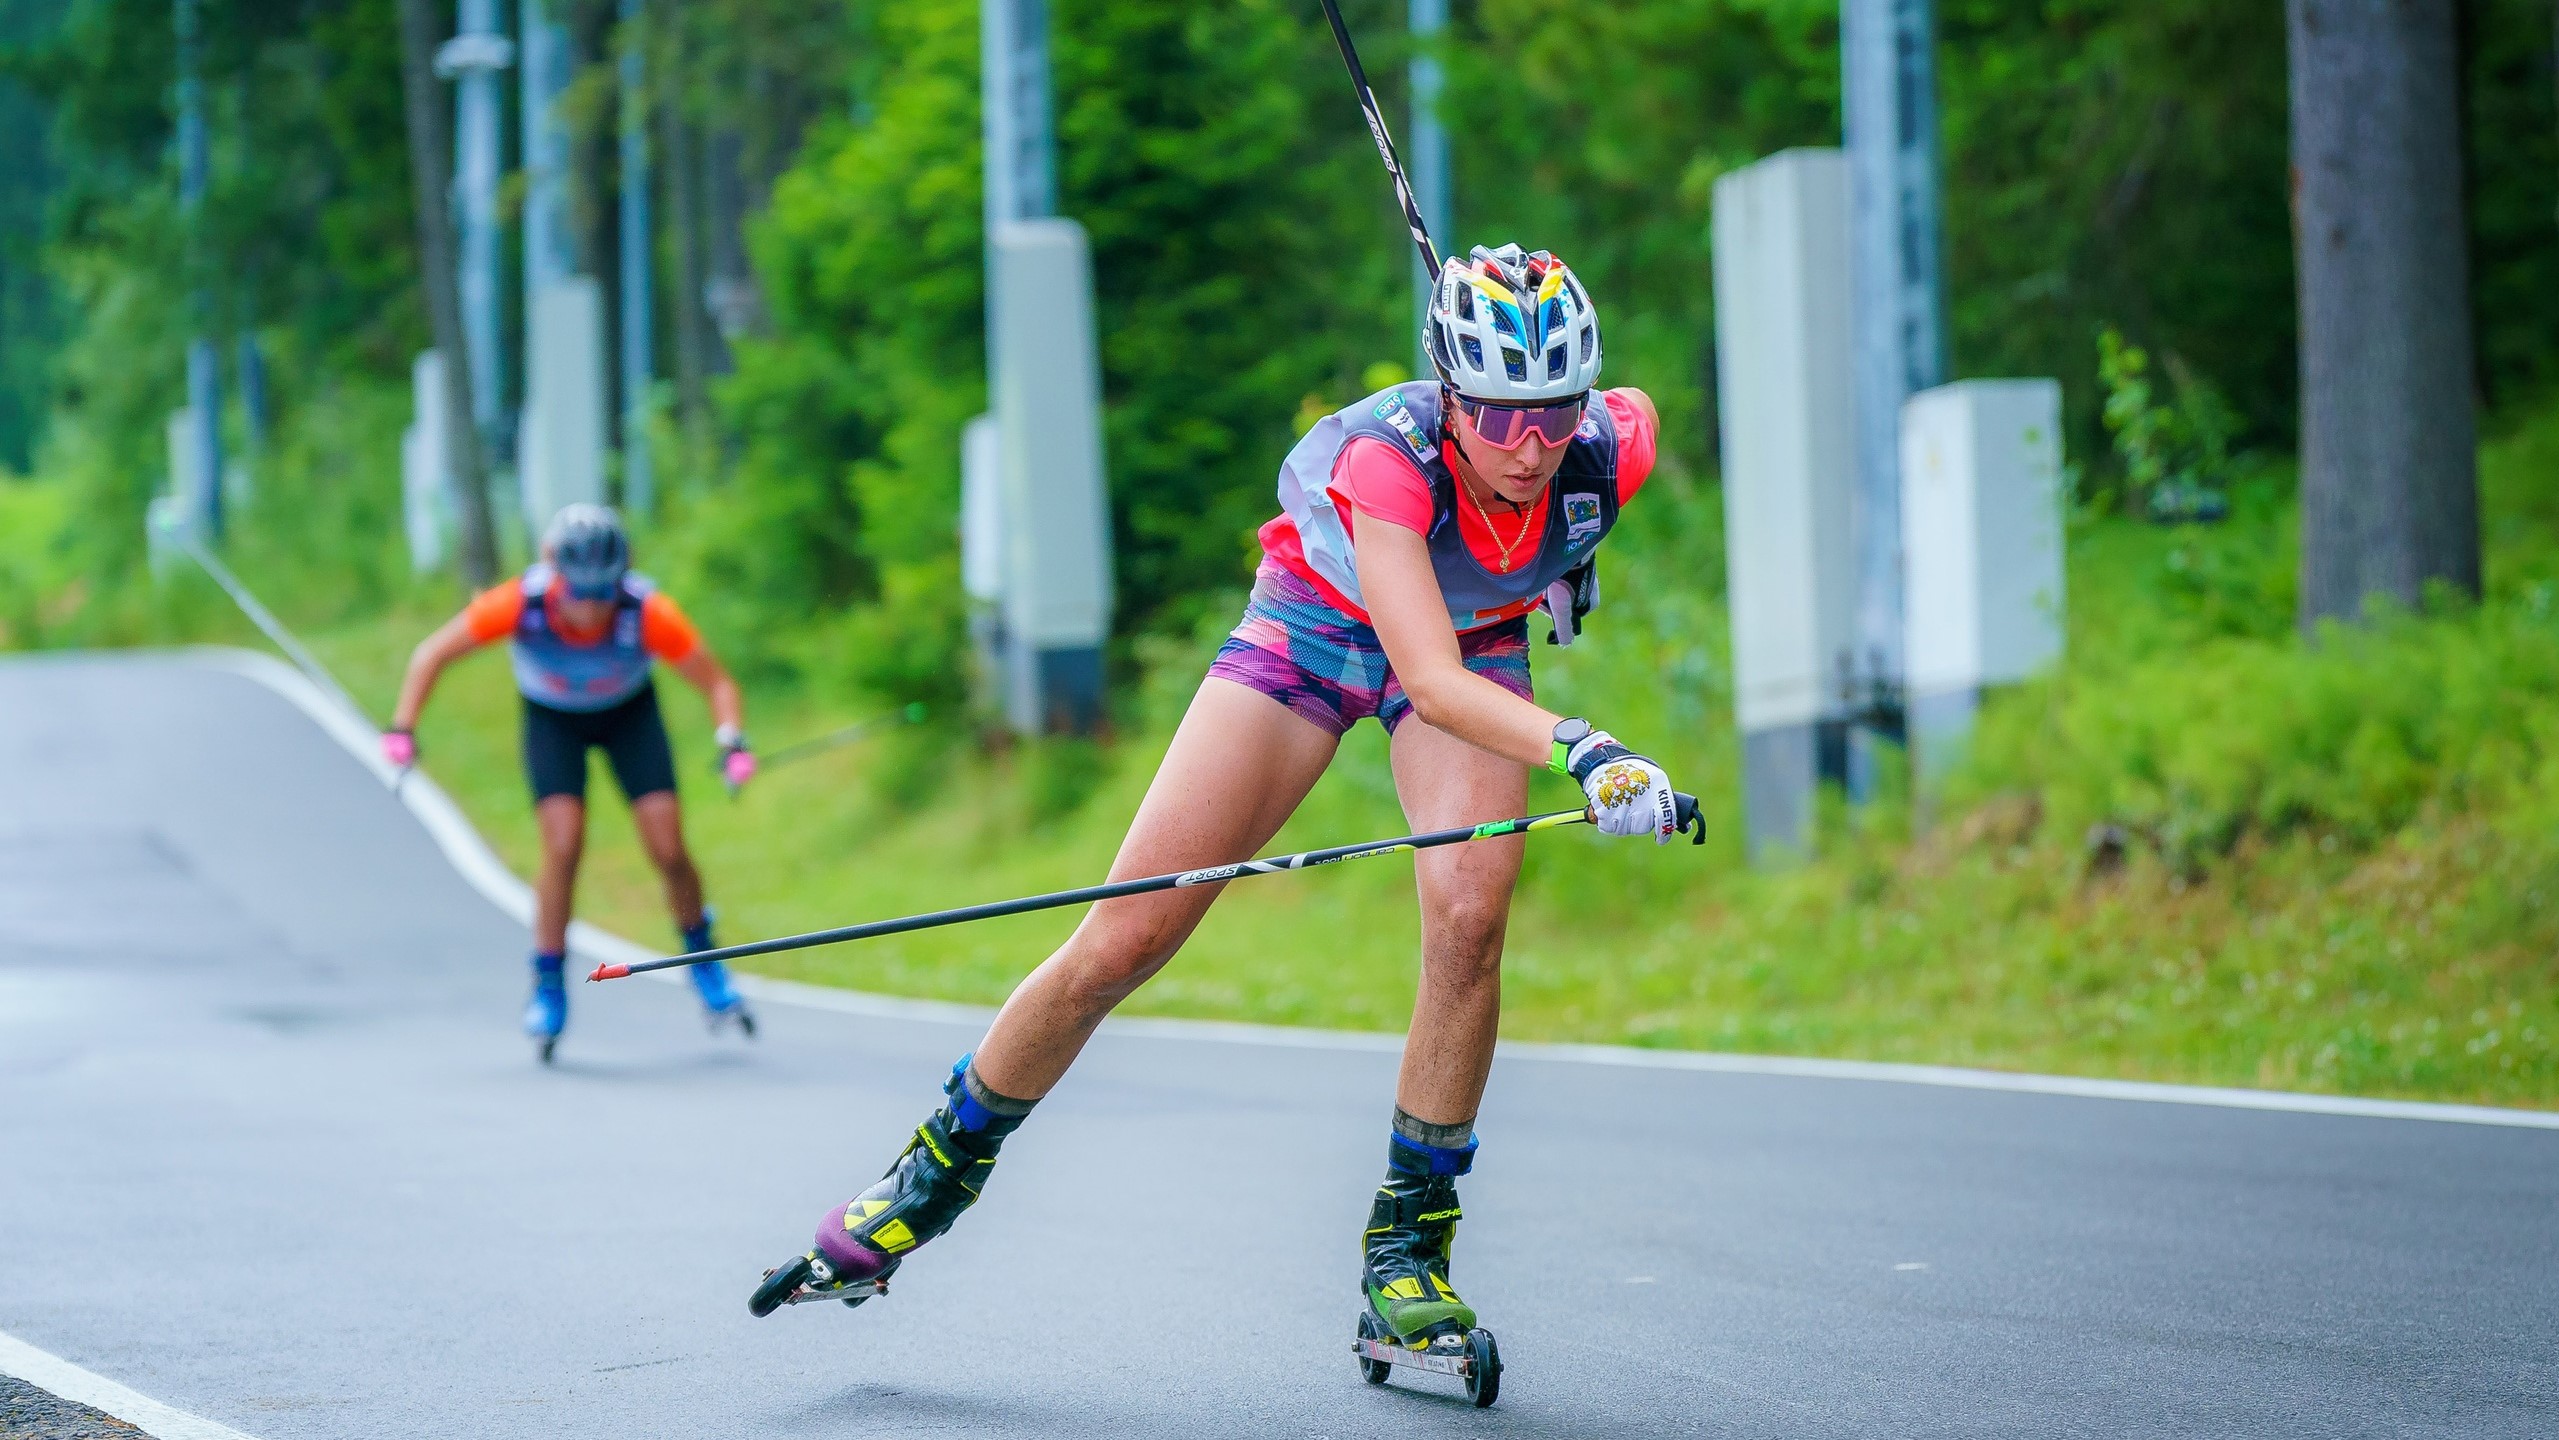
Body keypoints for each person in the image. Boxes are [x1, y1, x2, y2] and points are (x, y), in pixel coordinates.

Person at [780, 245, 1695, 1348]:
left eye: (1553, 409)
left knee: (1469, 922)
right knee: (1127, 937)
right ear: (1449, 393)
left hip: (1477, 639)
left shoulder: (1610, 443)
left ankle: (1407, 1255)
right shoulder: (1387, 460)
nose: (1532, 444)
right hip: (1318, 630)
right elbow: (1428, 682)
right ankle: (927, 1181)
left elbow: (1614, 428)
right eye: (1498, 417)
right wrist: (1589, 751)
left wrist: (1565, 603)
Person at [385, 504, 759, 1061]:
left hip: (628, 713)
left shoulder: (647, 611)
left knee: (668, 844)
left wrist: (730, 739)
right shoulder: (519, 603)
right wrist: (402, 728)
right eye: (577, 593)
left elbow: (717, 683)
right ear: (553, 573)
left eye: (602, 594)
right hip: (552, 717)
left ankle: (704, 961)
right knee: (562, 844)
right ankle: (548, 983)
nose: (589, 610)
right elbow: (431, 654)